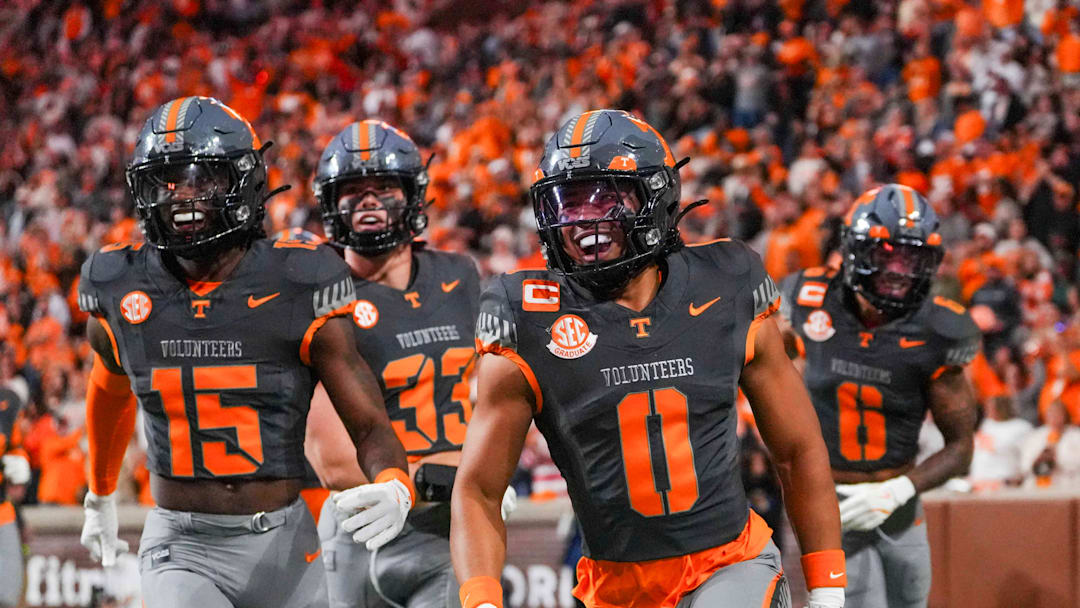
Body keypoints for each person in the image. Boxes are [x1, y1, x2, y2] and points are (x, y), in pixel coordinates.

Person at [451, 109, 846, 608]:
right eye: (566, 203)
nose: (583, 221)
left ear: (656, 196)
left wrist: (830, 588)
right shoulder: (526, 314)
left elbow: (797, 449)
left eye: (606, 197)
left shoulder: (727, 281)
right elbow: (479, 490)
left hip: (728, 562)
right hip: (614, 586)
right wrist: (482, 600)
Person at [76, 96, 413, 608]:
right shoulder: (120, 285)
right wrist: (99, 493)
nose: (182, 198)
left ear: (244, 182)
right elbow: (110, 385)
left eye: (201, 180)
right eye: (167, 182)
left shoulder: (298, 279)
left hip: (285, 541)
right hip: (182, 543)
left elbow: (367, 421)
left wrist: (394, 484)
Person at [306, 119, 513, 608]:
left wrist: (476, 478)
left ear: (414, 195)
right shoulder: (318, 291)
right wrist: (449, 478)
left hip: (447, 528)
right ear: (331, 203)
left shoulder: (457, 274)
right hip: (362, 523)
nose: (369, 201)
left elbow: (494, 397)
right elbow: (332, 457)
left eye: (384, 188)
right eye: (353, 190)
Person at [779, 183, 980, 608]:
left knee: (912, 601)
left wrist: (897, 490)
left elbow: (962, 448)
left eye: (911, 257)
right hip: (823, 496)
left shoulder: (939, 329)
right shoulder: (805, 299)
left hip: (901, 503)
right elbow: (766, 377)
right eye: (885, 252)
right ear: (853, 250)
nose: (898, 270)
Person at [0, 385, 28, 608]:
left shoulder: (8, 400)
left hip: (2, 510)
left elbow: (14, 446)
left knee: (8, 594)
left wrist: (18, 460)